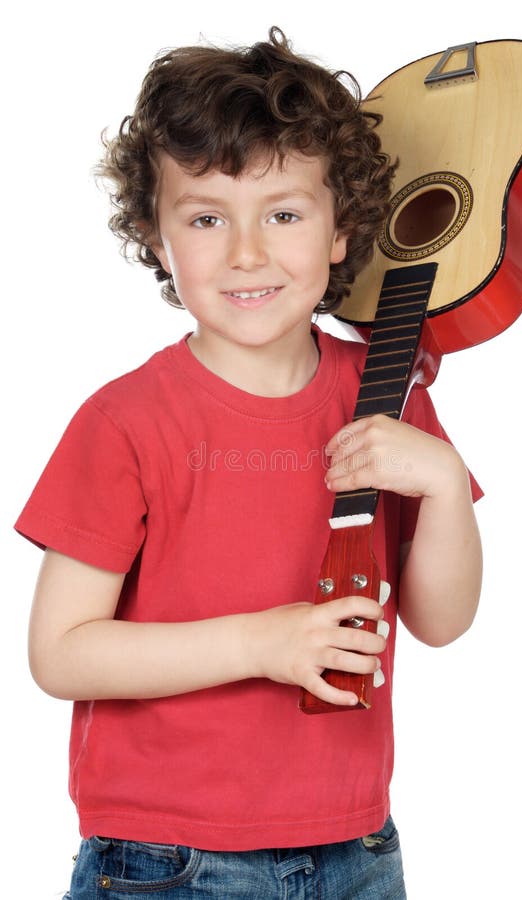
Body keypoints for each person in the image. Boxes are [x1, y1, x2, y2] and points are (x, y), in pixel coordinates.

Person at [16, 27, 482, 899]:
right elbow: (61, 653)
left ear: (341, 231)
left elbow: (441, 619)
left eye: (284, 213)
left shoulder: (385, 391)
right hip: (165, 860)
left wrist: (447, 487)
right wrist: (260, 643)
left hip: (358, 848)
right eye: (204, 218)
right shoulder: (123, 422)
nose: (246, 253)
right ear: (157, 241)